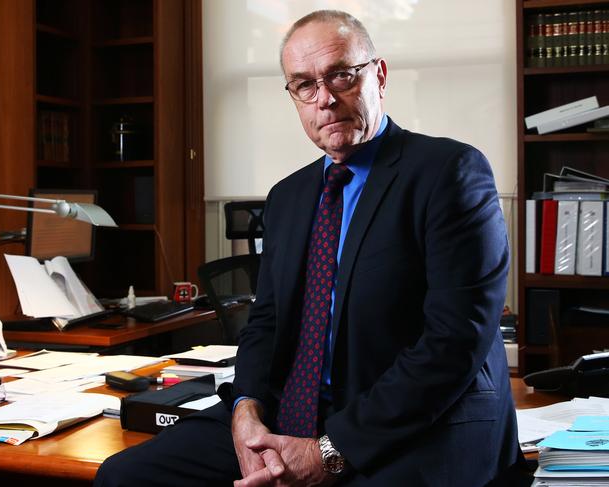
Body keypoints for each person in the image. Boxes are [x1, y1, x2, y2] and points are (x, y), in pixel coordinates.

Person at [95, 10, 520, 487]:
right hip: (292, 412)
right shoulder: (289, 197)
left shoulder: (449, 173)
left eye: (341, 75)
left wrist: (329, 452)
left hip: (414, 424)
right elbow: (267, 322)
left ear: (378, 75)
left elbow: (454, 342)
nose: (325, 100)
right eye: (304, 85)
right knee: (125, 477)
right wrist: (245, 410)